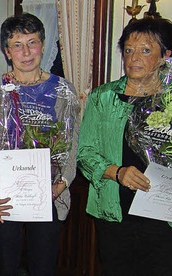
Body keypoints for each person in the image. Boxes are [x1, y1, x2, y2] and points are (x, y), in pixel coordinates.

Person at [0, 13, 79, 275]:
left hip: (48, 194)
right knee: (5, 267)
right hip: (3, 194)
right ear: (7, 51)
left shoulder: (63, 90)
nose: (26, 52)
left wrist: (61, 184)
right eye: (17, 45)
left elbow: (71, 145)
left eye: (32, 42)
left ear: (43, 45)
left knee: (43, 267)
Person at [77, 17, 172, 275]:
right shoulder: (103, 97)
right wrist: (117, 172)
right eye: (129, 50)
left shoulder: (170, 100)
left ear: (166, 55)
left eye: (145, 50)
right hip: (115, 211)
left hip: (164, 215)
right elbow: (84, 153)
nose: (134, 58)